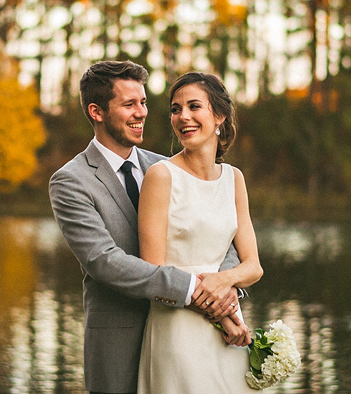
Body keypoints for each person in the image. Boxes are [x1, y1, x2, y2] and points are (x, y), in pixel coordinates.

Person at [49, 61, 242, 394]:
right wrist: (194, 290)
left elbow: (221, 236)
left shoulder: (167, 168)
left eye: (143, 102)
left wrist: (224, 293)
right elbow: (103, 261)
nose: (141, 113)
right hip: (121, 338)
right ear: (96, 112)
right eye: (129, 105)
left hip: (189, 331)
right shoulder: (71, 181)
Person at [137, 72, 263, 394]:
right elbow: (155, 273)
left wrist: (225, 281)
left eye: (194, 106)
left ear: (219, 116)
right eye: (175, 109)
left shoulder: (234, 179)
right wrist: (222, 314)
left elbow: (253, 267)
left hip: (228, 331)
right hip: (177, 326)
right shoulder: (161, 176)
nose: (183, 117)